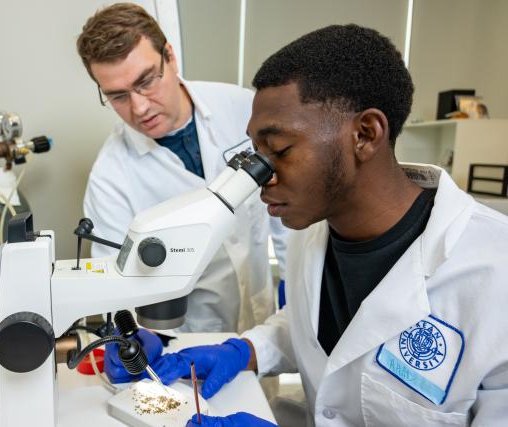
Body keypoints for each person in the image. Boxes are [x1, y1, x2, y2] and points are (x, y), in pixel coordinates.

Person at [144, 24, 508, 426]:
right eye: (256, 151)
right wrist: (245, 350)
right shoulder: (313, 233)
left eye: (279, 149)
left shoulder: (494, 274)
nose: (259, 176)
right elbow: (319, 329)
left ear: (365, 134)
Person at [76, 2, 289, 344]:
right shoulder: (110, 177)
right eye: (117, 96)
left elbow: (286, 210)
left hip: (264, 323)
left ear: (170, 58)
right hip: (189, 339)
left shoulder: (241, 108)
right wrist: (139, 342)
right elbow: (117, 288)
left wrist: (296, 287)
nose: (139, 107)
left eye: (146, 81)